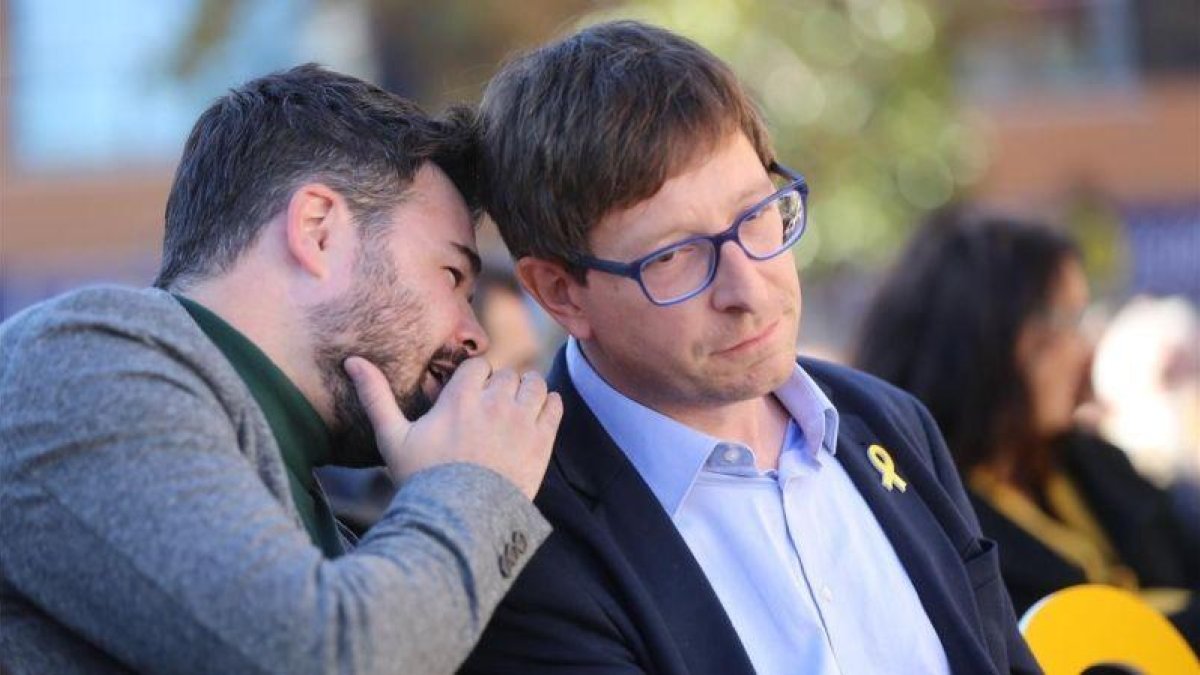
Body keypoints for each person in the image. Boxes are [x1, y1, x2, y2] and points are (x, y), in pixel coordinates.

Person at [462, 21, 1039, 675]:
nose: (748, 284)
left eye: (757, 212)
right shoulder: (520, 536)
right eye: (677, 254)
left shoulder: (891, 422)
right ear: (561, 293)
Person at [0, 64, 562, 674]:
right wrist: (476, 485)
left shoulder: (314, 507)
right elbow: (323, 657)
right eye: (452, 276)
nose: (474, 336)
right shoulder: (86, 361)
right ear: (317, 230)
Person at [853, 208, 1200, 647]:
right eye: (1065, 321)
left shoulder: (1088, 462)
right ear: (985, 337)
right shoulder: (920, 507)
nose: (1085, 348)